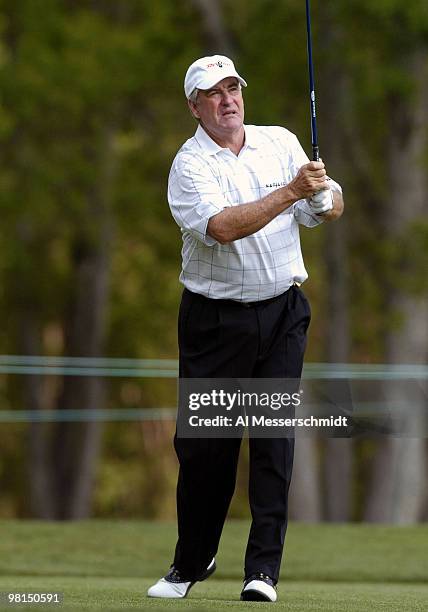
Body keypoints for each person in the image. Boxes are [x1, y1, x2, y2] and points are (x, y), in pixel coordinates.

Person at [147, 55, 344, 602]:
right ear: (195, 107)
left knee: (273, 442)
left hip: (282, 313)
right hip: (214, 322)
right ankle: (192, 561)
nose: (228, 99)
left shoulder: (278, 141)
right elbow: (223, 228)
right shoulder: (189, 166)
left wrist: (323, 197)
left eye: (233, 88)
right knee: (205, 448)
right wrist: (291, 193)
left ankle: (263, 571)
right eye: (213, 93)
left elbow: (328, 206)